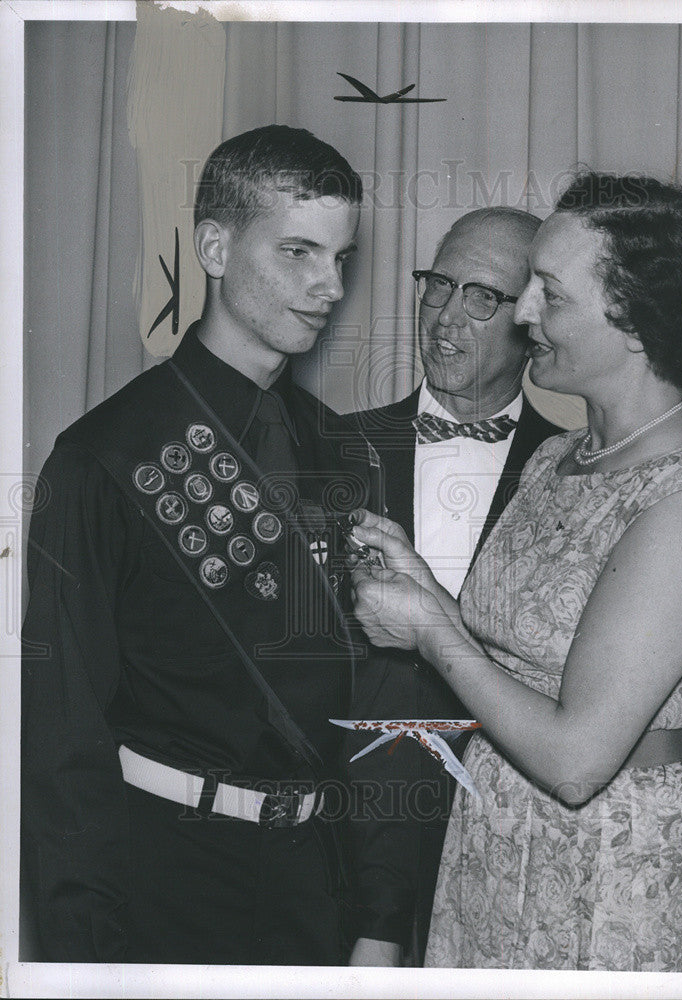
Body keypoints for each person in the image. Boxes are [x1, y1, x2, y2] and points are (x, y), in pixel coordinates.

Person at [347, 173, 682, 970]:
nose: (523, 313)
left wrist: (431, 631)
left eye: (547, 292)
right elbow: (520, 656)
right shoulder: (554, 458)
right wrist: (423, 587)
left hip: (606, 875)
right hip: (492, 843)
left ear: (636, 321)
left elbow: (576, 761)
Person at [21, 125, 399, 965]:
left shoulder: (344, 453)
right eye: (299, 251)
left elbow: (375, 700)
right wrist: (80, 960)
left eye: (340, 258)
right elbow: (61, 739)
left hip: (318, 890)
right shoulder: (104, 456)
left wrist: (382, 916)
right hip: (162, 883)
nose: (328, 285)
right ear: (216, 247)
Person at [348, 207, 560, 963]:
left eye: (481, 297)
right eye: (438, 284)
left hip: (508, 850)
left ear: (534, 319)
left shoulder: (575, 475)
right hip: (335, 848)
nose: (445, 316)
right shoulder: (326, 446)